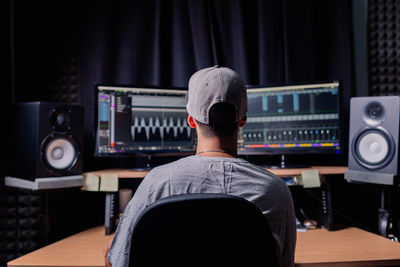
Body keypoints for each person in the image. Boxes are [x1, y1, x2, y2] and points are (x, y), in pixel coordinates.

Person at [105, 66, 296, 267]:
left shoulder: (156, 183)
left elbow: (118, 262)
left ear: (191, 121)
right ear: (243, 120)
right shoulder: (276, 190)